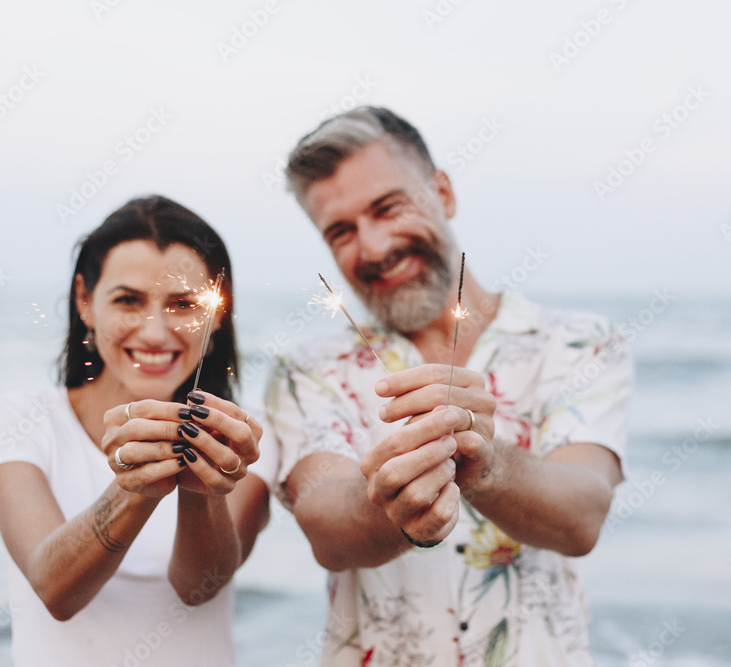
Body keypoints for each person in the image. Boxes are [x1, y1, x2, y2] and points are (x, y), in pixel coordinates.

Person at [266, 107, 632, 666]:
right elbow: (327, 527)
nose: (373, 247)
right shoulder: (307, 370)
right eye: (340, 232)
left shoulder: (580, 343)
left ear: (443, 193)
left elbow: (582, 513)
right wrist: (396, 507)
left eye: (387, 208)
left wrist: (487, 466)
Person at [0, 195, 272, 666]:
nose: (154, 332)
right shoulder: (17, 421)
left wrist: (199, 489)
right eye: (128, 300)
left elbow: (200, 587)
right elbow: (55, 589)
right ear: (84, 301)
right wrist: (134, 489)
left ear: (215, 319)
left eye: (183, 304)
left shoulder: (242, 436)